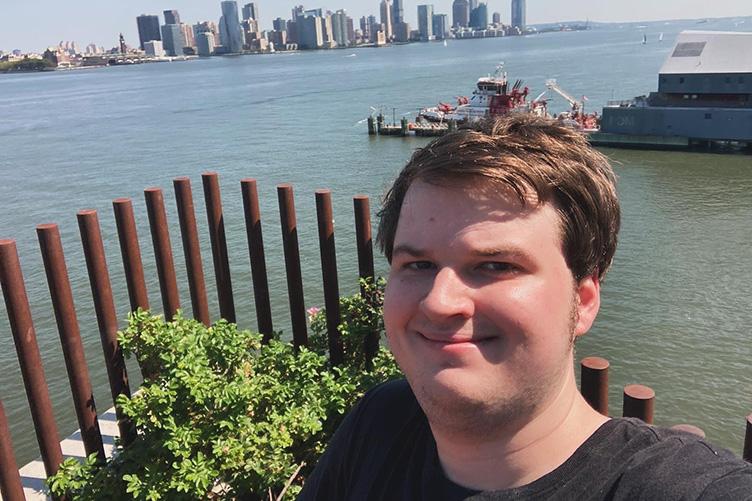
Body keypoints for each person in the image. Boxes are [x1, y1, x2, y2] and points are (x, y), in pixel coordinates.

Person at [298, 115, 752, 500]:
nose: (439, 302)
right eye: (417, 264)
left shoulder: (678, 488)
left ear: (584, 301)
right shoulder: (379, 422)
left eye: (495, 265)